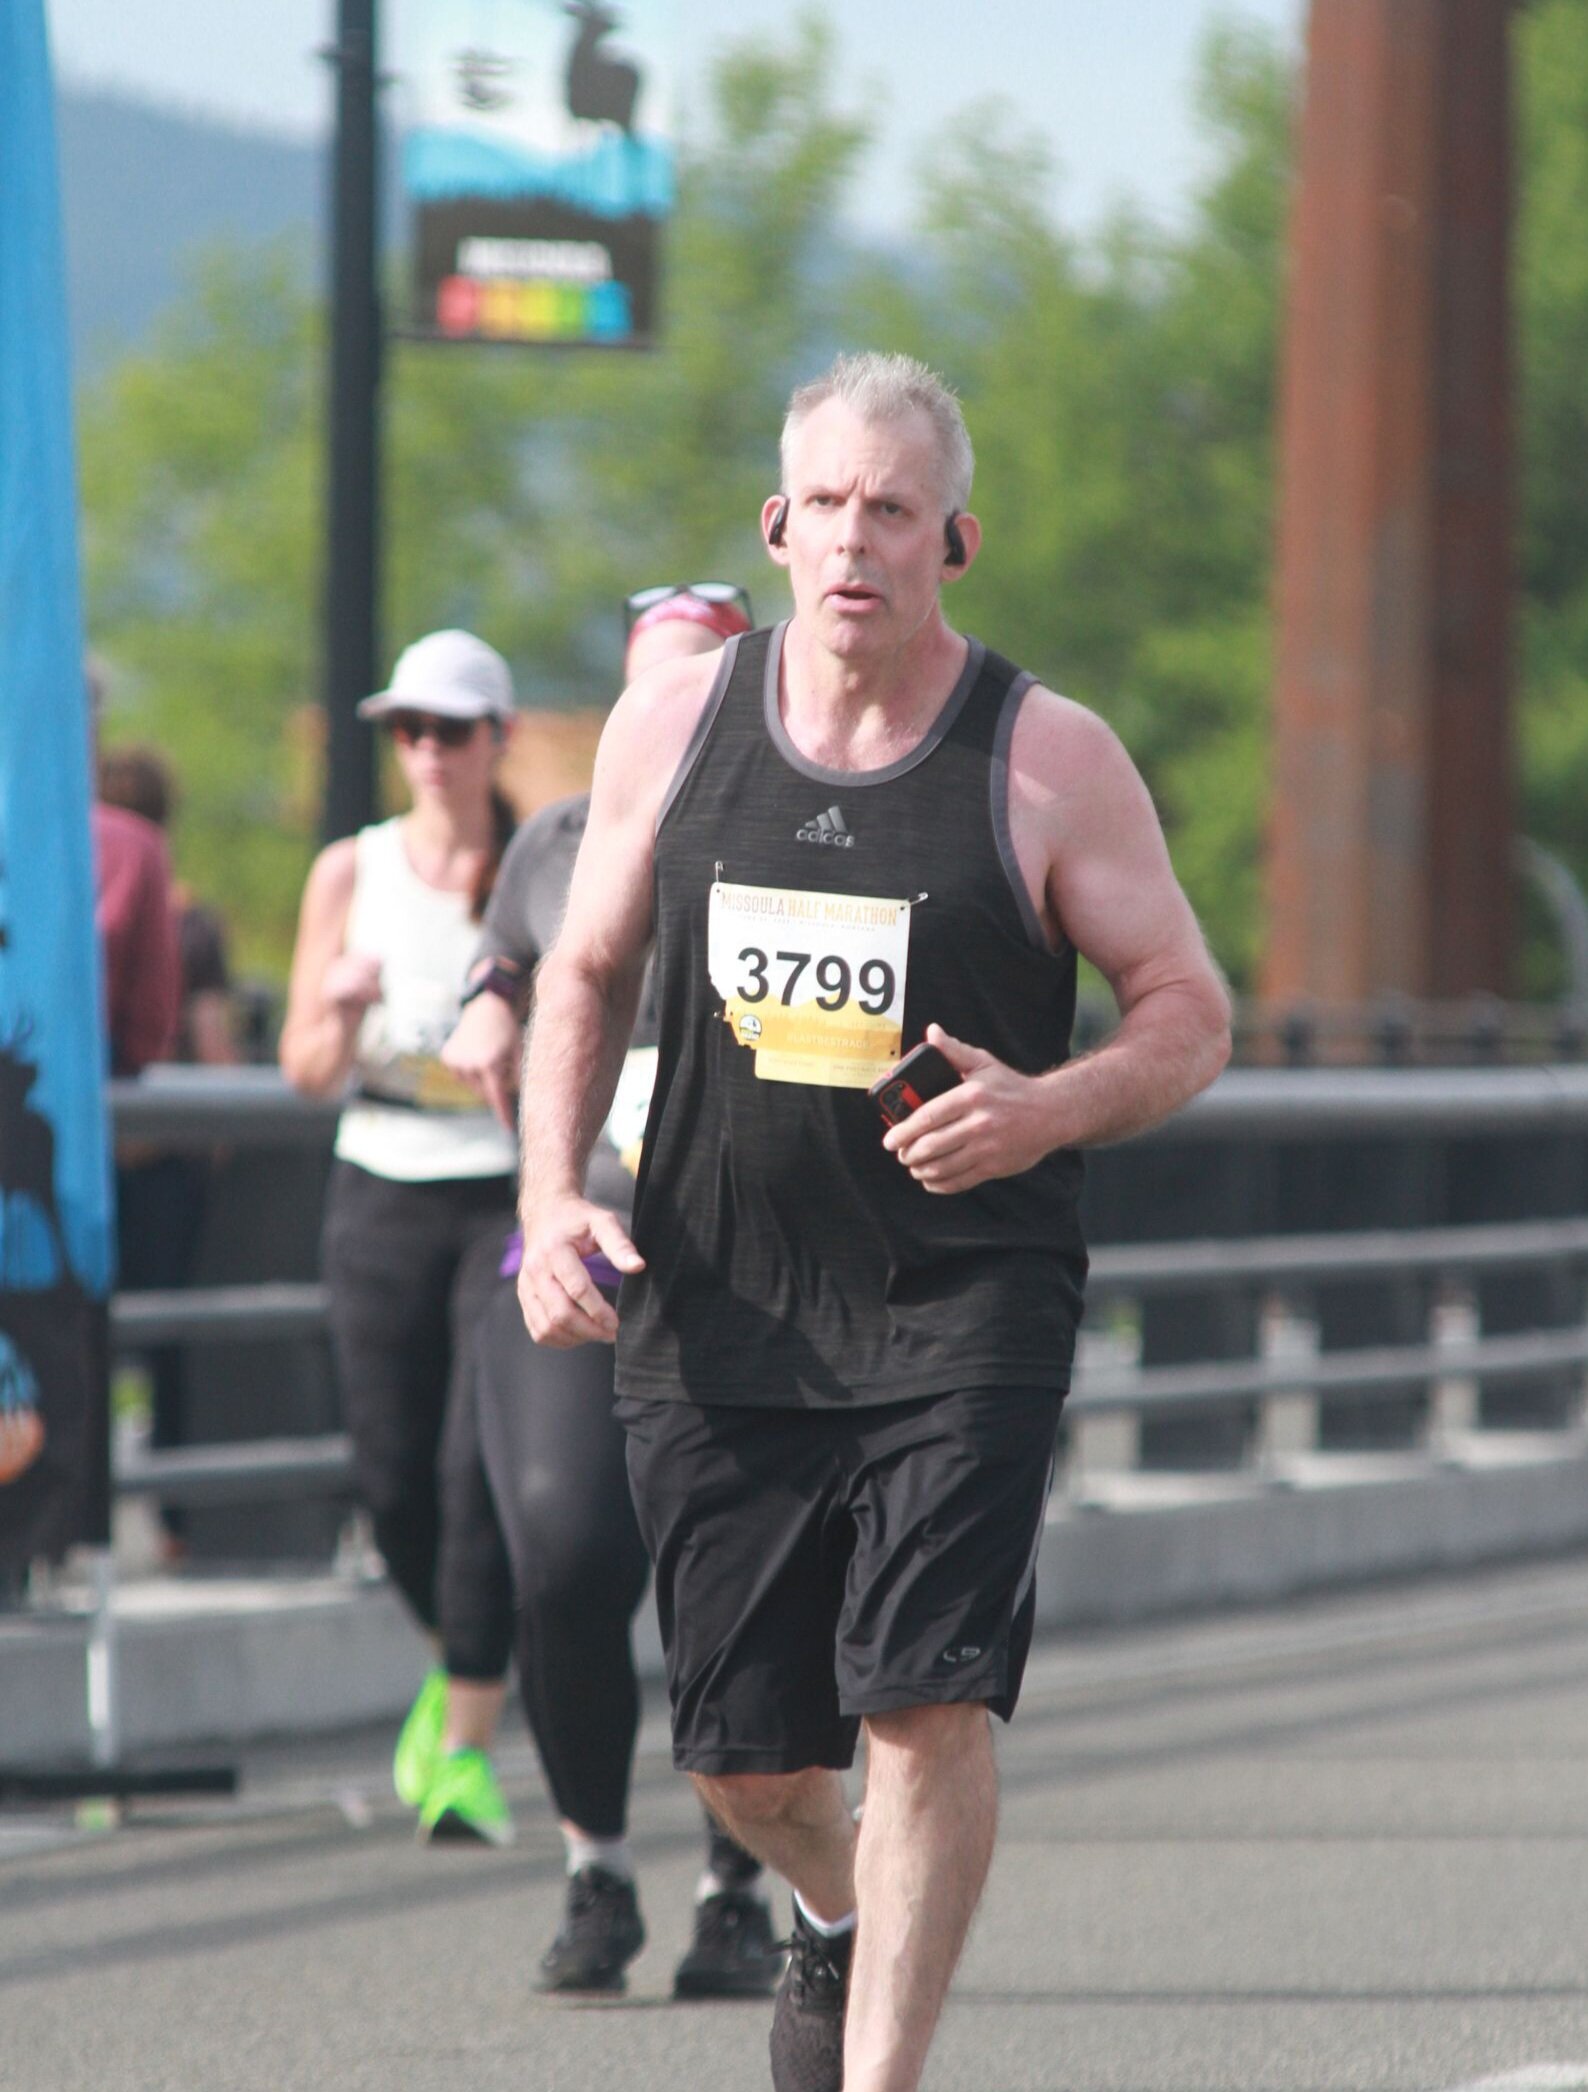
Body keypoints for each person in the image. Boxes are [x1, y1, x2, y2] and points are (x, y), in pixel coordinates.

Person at [514, 352, 1232, 2092]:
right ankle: (839, 1906)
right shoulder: (670, 727)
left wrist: (1047, 1105)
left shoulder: (1044, 757)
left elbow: (1188, 1011)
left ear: (952, 543)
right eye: (827, 505)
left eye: (894, 511)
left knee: (921, 1706)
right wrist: (547, 1194)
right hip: (720, 1301)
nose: (856, 540)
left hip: (961, 1303)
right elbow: (582, 969)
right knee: (747, 1765)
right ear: (776, 527)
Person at [440, 582, 780, 1999]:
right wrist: (486, 1000)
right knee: (566, 1553)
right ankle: (595, 1868)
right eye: (650, 689)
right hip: (580, 1247)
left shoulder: (797, 833)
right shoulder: (560, 837)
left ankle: (739, 1884)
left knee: (736, 1585)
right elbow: (510, 948)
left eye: (701, 687)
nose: (669, 716)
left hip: (753, 1259)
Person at [280, 629, 523, 1847]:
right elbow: (304, 1070)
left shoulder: (532, 867)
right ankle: (460, 1663)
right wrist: (336, 1009)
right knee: (390, 1479)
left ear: (498, 738)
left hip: (501, 1190)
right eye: (407, 729)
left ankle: (466, 1748)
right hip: (379, 1182)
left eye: (451, 729)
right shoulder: (351, 869)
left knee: (475, 1471)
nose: (428, 751)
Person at [97, 744, 240, 1559]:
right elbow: (212, 1046)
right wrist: (213, 1142)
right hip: (167, 1161)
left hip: (86, 1154)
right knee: (171, 1343)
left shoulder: (69, 899)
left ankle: (65, 1530)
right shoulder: (192, 923)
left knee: (78, 1334)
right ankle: (176, 1524)